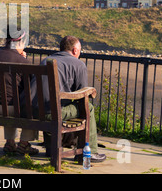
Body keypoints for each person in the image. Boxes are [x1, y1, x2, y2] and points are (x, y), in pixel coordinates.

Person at [31, 35, 106, 163]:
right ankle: (90, 152)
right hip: (52, 112)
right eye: (80, 50)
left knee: (51, 105)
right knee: (89, 108)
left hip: (34, 110)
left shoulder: (46, 60)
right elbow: (83, 96)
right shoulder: (78, 64)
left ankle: (51, 148)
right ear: (75, 50)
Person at [0, 28, 39, 155]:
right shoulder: (22, 62)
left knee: (8, 96)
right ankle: (24, 144)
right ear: (20, 42)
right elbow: (30, 88)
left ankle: (10, 142)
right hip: (6, 109)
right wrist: (23, 59)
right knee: (31, 106)